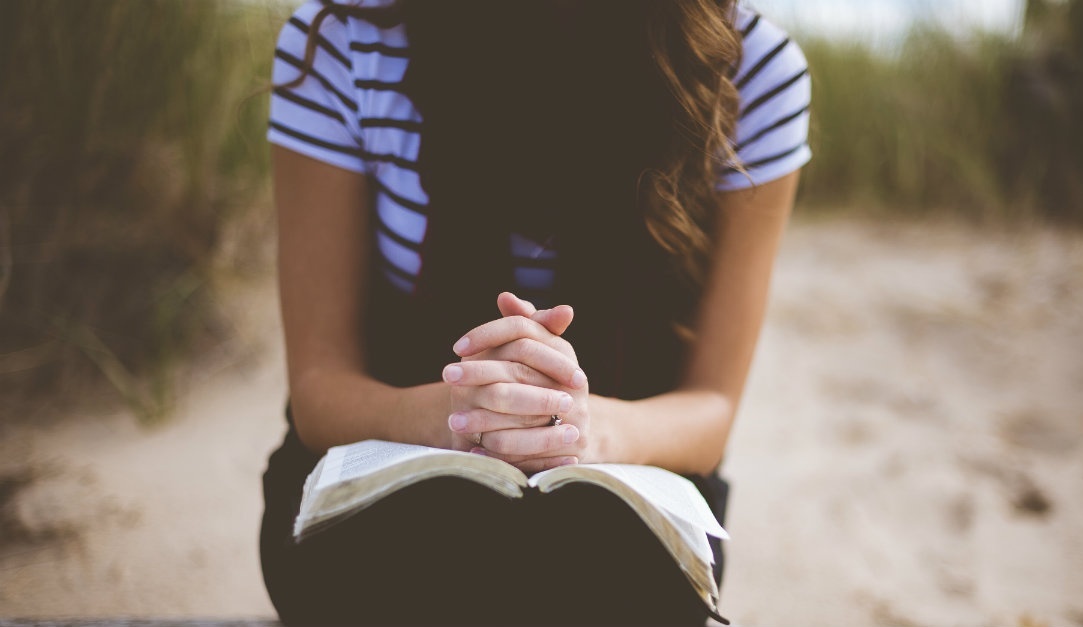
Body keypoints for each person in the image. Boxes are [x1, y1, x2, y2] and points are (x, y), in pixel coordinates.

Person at [258, 0, 811, 624]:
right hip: (385, 453)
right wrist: (458, 416)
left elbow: (710, 409)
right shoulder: (344, 40)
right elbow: (317, 388)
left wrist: (577, 428)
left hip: (629, 471)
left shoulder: (751, 71)